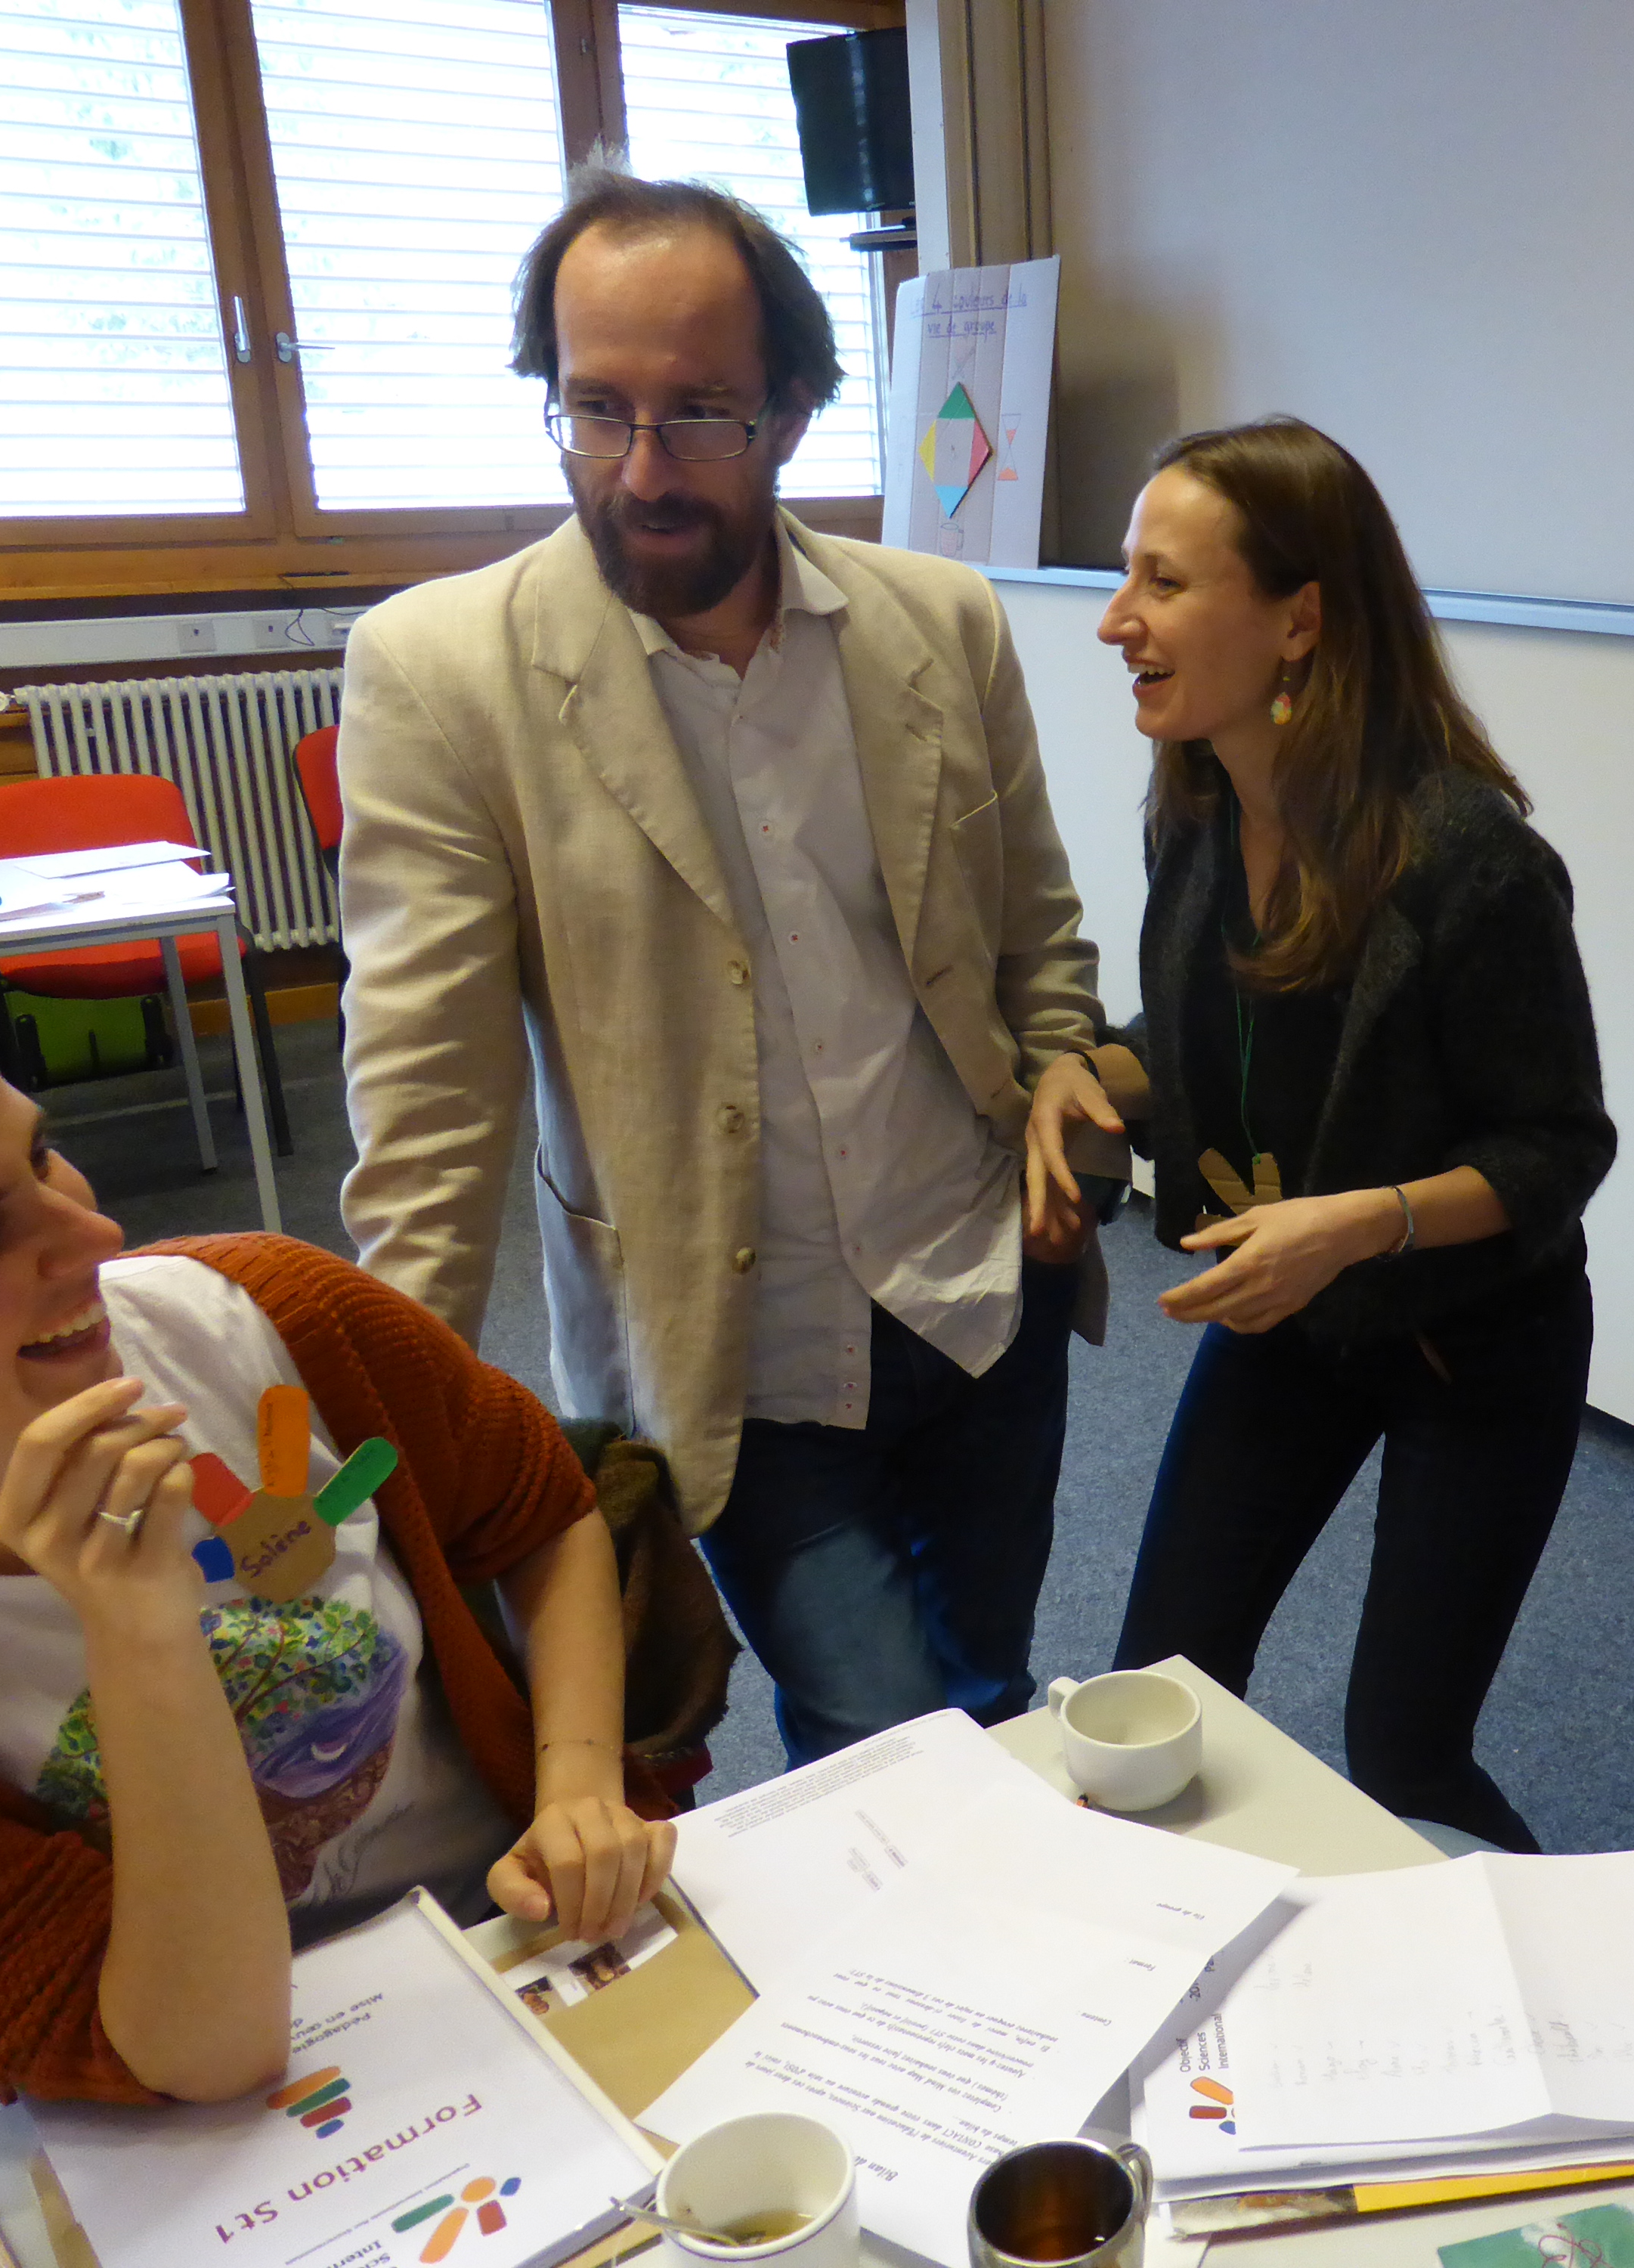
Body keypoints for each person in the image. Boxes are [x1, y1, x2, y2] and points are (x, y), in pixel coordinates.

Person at [335, 167, 1103, 1767]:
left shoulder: (940, 621)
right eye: (593, 408)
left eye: (697, 414)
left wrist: (1062, 1086)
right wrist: (395, 1446)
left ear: (794, 413)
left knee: (989, 1694)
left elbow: (1036, 931)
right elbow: (428, 1104)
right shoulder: (443, 670)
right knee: (883, 1743)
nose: (639, 470)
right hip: (727, 1339)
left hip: (980, 1296)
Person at [0, 970, 675, 2104]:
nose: (94, 1233)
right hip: (199, 2103)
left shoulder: (270, 1317)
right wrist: (139, 1628)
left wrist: (578, 1787)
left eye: (41, 1156)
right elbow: (205, 2051)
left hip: (512, 1935)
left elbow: (539, 1504)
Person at [1024, 419, 1613, 1851]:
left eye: (1164, 584)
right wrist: (1083, 1072)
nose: (1115, 621)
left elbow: (1557, 1148)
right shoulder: (1198, 808)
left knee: (1406, 1756)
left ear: (1298, 622)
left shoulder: (1471, 859)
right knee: (1161, 1694)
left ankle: (1564, 1962)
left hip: (1476, 1341)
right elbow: (1220, 1032)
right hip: (1295, 1316)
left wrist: (1357, 1221)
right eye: (1125, 577)